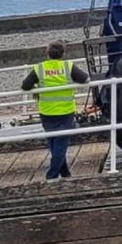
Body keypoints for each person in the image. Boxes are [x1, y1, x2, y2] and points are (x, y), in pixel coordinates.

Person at [22, 42, 89, 181]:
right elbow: (85, 79)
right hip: (66, 111)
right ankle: (52, 175)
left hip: (47, 112)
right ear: (63, 54)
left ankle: (64, 173)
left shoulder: (40, 68)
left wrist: (37, 88)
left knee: (53, 143)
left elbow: (25, 86)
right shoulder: (67, 66)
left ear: (47, 53)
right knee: (60, 145)